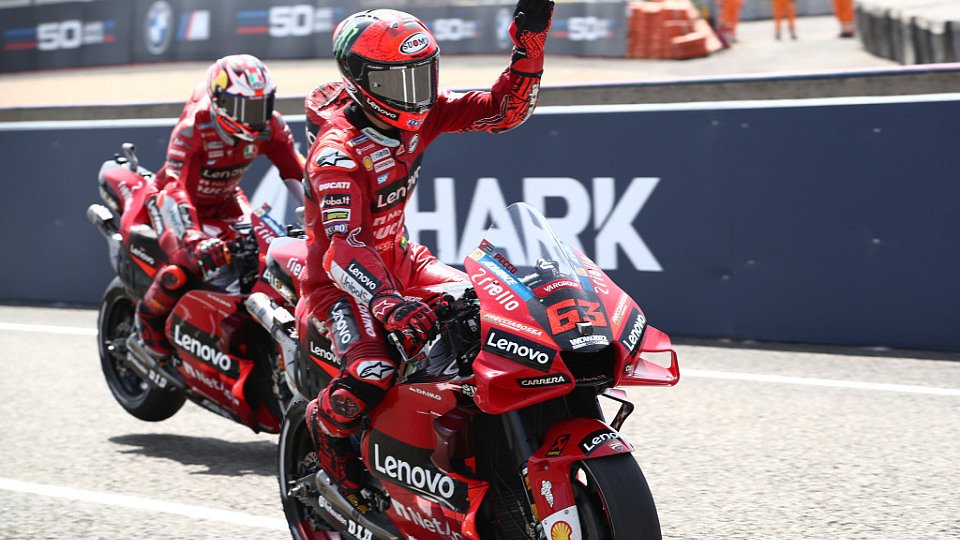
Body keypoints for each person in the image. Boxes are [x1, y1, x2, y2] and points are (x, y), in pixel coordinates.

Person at [297, 0, 554, 510]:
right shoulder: (337, 152)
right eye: (400, 81)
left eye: (423, 75)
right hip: (340, 287)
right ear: (360, 80)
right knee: (371, 372)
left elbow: (507, 111)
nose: (416, 93)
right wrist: (389, 303)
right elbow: (344, 249)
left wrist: (530, 39)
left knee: (499, 315)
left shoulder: (425, 111)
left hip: (406, 262)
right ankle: (325, 437)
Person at [133, 54, 305, 359]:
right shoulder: (194, 126)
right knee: (187, 261)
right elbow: (176, 185)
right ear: (219, 101)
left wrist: (325, 213)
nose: (255, 117)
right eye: (245, 107)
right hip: (174, 200)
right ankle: (148, 321)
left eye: (261, 105)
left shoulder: (272, 126)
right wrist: (194, 238)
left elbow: (297, 173)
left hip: (226, 199)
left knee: (261, 253)